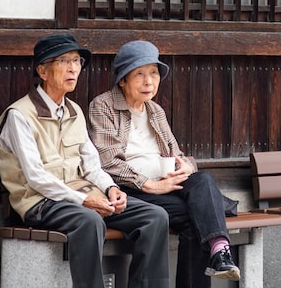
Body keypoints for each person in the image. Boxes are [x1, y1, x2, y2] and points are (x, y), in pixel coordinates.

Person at [0, 33, 170, 288]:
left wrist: (111, 189)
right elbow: (35, 177)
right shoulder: (19, 115)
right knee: (89, 221)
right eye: (64, 61)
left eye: (77, 61)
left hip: (84, 197)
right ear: (42, 71)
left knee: (155, 216)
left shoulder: (74, 111)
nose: (73, 68)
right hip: (41, 202)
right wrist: (84, 200)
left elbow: (91, 165)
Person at [88, 40, 241, 287]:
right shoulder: (103, 106)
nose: (149, 81)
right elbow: (108, 163)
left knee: (200, 181)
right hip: (129, 192)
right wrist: (150, 185)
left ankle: (218, 251)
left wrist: (186, 167)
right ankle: (220, 249)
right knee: (199, 213)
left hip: (164, 189)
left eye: (154, 73)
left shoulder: (155, 111)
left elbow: (177, 153)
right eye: (139, 74)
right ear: (123, 79)